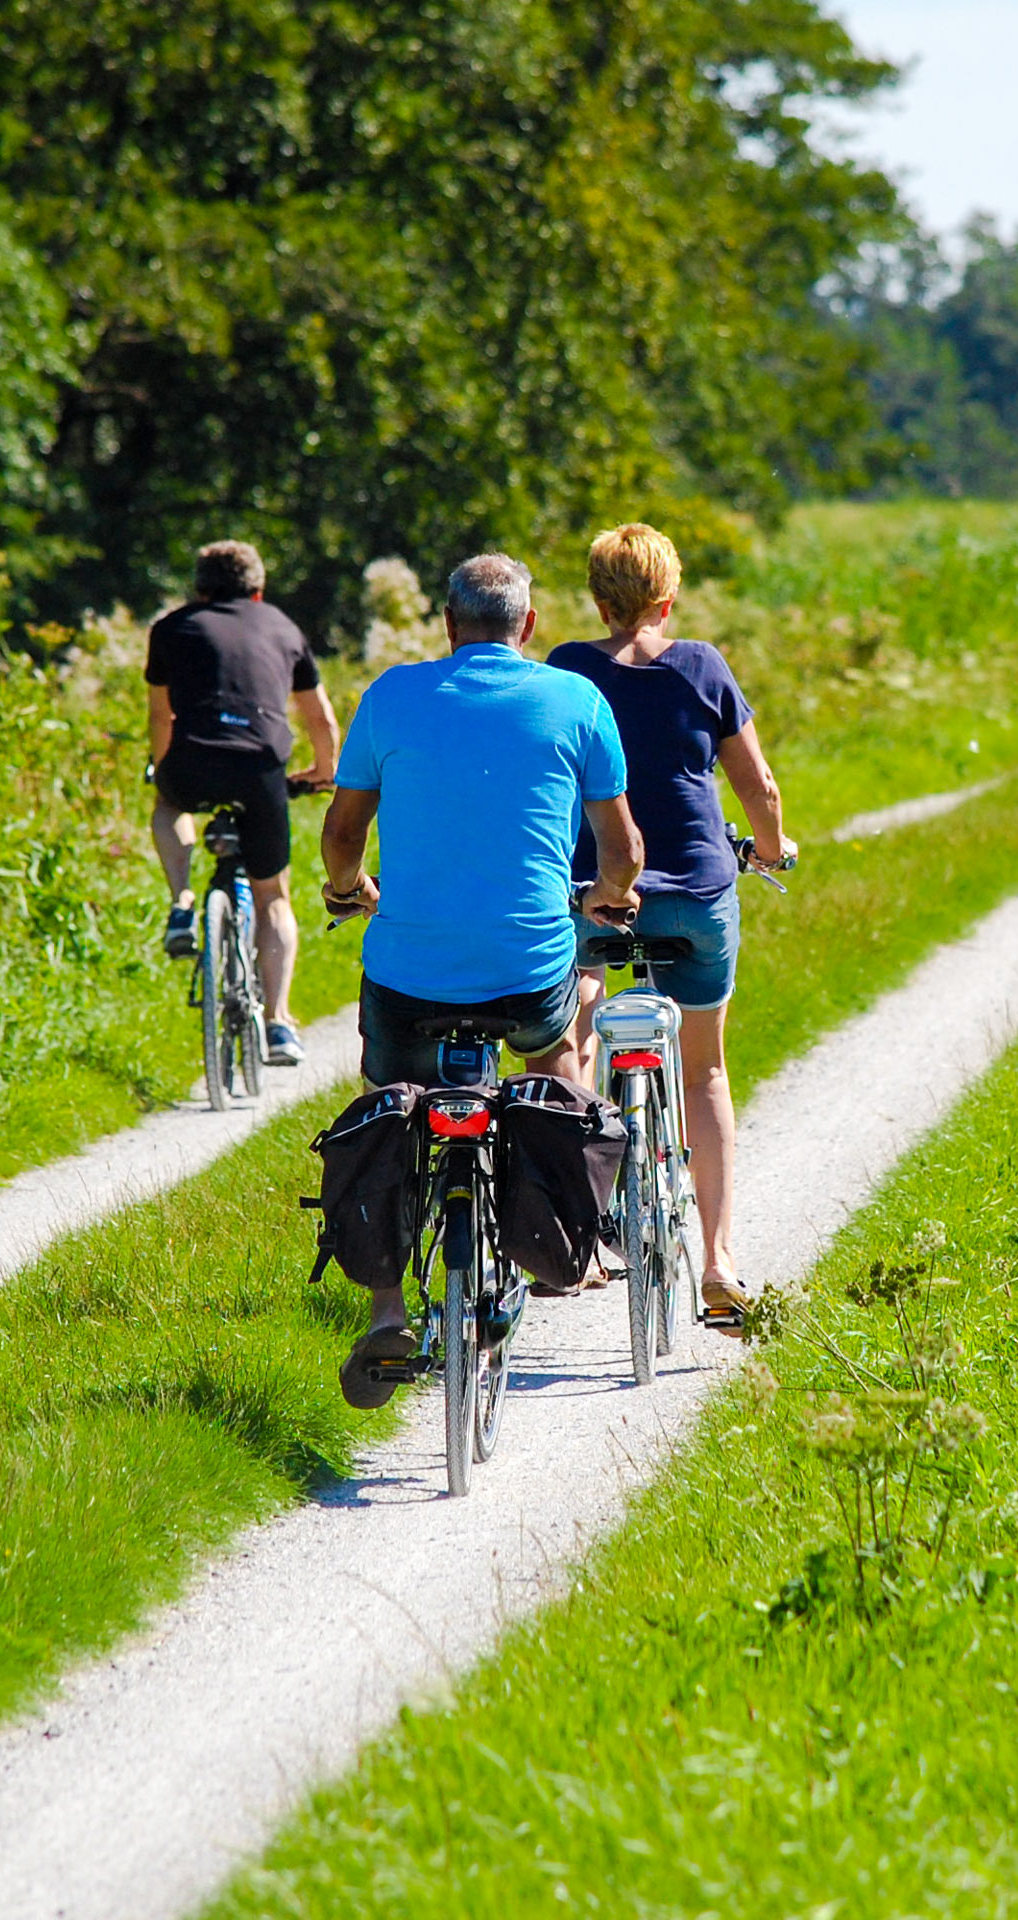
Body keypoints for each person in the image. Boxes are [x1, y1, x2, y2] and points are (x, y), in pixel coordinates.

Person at [318, 552, 645, 1407]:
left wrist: (350, 892)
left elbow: (342, 831)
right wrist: (608, 901)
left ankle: (389, 1312)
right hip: (525, 969)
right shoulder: (576, 700)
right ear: (528, 626)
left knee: (394, 1094)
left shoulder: (392, 695)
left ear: (448, 626)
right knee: (553, 1052)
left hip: (409, 974)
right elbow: (624, 852)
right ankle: (556, 1245)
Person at [548, 522, 794, 1327]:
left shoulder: (568, 669)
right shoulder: (701, 665)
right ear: (668, 596)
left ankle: (581, 1237)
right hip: (694, 888)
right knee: (705, 1069)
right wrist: (770, 849)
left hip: (596, 889)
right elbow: (758, 785)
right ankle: (719, 1263)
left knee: (573, 1030)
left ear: (597, 599)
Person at [145, 539, 339, 1066]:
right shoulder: (282, 627)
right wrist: (324, 772)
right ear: (258, 591)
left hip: (192, 759)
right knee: (272, 895)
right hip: (260, 768)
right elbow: (318, 717)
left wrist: (163, 769)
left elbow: (162, 717)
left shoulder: (171, 628)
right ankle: (278, 1023)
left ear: (200, 589)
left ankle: (182, 901)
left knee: (168, 806)